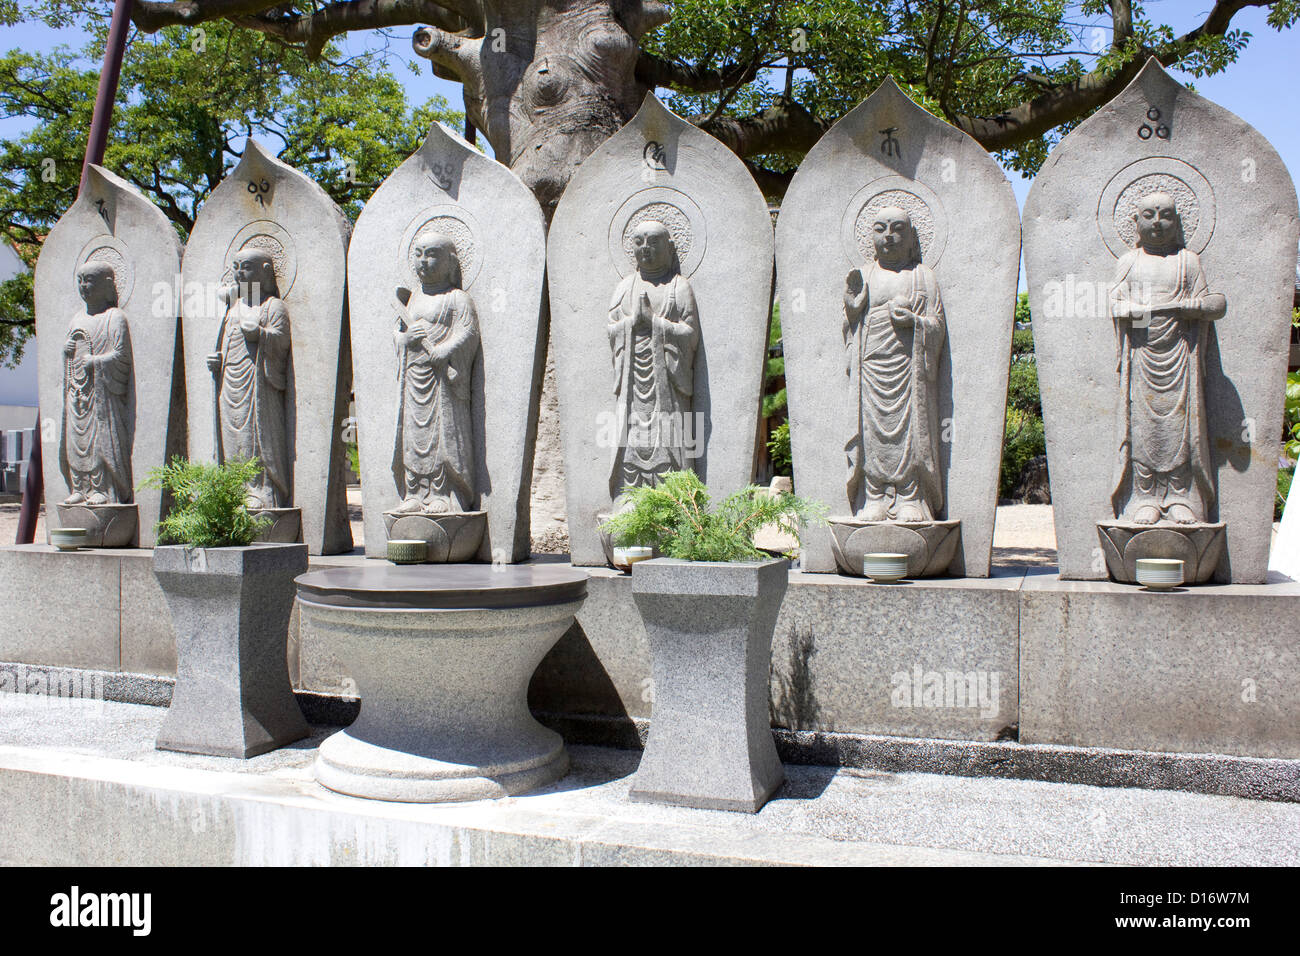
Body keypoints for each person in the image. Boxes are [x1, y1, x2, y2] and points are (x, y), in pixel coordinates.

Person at [1108, 191, 1225, 524]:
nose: (1157, 223)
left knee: (1181, 426)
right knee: (1142, 425)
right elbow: (1116, 306)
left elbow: (1211, 304)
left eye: (1165, 215)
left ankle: (1178, 496)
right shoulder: (1129, 262)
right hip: (1142, 356)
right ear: (1135, 221)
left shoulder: (1188, 261)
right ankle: (1144, 496)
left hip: (1181, 355)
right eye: (1149, 215)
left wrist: (1193, 307)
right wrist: (1140, 313)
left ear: (1177, 221)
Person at [842, 206, 946, 521]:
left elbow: (937, 324)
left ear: (911, 235)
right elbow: (849, 329)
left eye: (897, 228)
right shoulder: (865, 275)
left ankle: (910, 496)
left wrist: (915, 321)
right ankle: (873, 495)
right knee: (871, 431)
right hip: (871, 369)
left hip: (909, 370)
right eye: (880, 228)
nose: (889, 236)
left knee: (912, 432)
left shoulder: (923, 277)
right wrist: (853, 311)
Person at [607, 220, 699, 500]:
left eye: (653, 241)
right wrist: (632, 324)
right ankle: (630, 505)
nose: (645, 248)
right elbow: (611, 328)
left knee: (669, 446)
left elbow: (690, 334)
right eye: (639, 242)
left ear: (669, 248)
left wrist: (656, 324)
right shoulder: (625, 287)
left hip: (668, 389)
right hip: (632, 387)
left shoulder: (678, 287)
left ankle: (672, 505)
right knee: (631, 448)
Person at [392, 232, 479, 513]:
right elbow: (398, 334)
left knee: (442, 436)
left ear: (450, 262)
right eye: (418, 254)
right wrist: (404, 339)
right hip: (413, 379)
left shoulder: (456, 299)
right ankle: (415, 491)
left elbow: (468, 331)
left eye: (431, 255)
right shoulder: (412, 300)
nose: (423, 262)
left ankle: (443, 492)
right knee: (413, 437)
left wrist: (445, 350)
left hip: (443, 382)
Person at [207, 248, 292, 510]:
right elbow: (226, 342)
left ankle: (261, 490)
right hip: (229, 384)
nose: (239, 273)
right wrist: (217, 363)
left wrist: (261, 335)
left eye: (245, 267)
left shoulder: (273, 306)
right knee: (232, 438)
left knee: (257, 437)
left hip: (260, 387)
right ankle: (236, 488)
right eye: (236, 267)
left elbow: (282, 341)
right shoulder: (234, 309)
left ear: (265, 271)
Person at [61, 261, 132, 505]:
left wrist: (96, 361)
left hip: (102, 395)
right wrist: (67, 351)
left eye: (89, 280)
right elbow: (71, 360)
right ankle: (80, 486)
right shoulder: (76, 319)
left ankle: (101, 487)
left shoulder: (114, 318)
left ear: (107, 285)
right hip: (77, 392)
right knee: (76, 439)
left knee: (98, 440)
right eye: (80, 280)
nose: (84, 286)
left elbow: (122, 356)